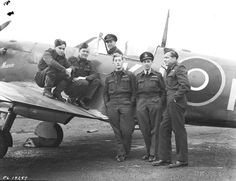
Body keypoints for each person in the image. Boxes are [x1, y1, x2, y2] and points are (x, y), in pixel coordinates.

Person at [152, 50, 190, 168]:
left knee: (179, 130)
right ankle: (164, 158)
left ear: (174, 58)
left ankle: (182, 160)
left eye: (167, 57)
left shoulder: (179, 68)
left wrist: (175, 98)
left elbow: (185, 85)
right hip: (170, 103)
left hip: (176, 103)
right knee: (163, 128)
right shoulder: (169, 69)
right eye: (164, 57)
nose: (165, 59)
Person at [103, 53, 135, 162]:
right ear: (113, 62)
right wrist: (107, 105)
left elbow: (135, 92)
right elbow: (105, 93)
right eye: (115, 60)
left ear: (122, 61)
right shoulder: (108, 77)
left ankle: (125, 151)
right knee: (117, 131)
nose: (117, 62)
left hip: (126, 103)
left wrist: (131, 103)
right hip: (112, 104)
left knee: (127, 131)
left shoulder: (130, 75)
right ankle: (121, 154)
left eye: (119, 60)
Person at [136, 52, 166, 162]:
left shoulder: (157, 75)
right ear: (142, 63)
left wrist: (159, 103)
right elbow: (135, 92)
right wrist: (138, 105)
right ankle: (148, 152)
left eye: (148, 61)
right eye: (144, 62)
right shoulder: (138, 76)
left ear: (151, 62)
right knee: (144, 129)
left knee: (155, 129)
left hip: (154, 102)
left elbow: (163, 91)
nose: (146, 63)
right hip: (141, 104)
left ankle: (153, 154)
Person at [65, 43, 100, 110]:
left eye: (87, 52)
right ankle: (71, 98)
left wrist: (84, 78)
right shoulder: (72, 59)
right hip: (70, 86)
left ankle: (81, 100)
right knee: (84, 82)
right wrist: (72, 78)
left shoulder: (89, 63)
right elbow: (65, 70)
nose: (85, 53)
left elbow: (96, 74)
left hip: (82, 84)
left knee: (96, 81)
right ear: (79, 51)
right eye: (83, 51)